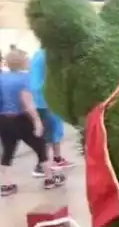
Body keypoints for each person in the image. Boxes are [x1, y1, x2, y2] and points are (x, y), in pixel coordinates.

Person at [0, 50, 65, 196]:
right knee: (40, 147)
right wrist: (37, 121)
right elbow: (27, 103)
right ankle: (49, 179)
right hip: (22, 119)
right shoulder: (24, 78)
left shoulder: (1, 77)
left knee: (7, 152)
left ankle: (6, 185)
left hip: (4, 120)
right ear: (22, 62)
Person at [28, 48, 74, 177]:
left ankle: (57, 159)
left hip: (43, 97)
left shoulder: (39, 53)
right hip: (46, 99)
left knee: (55, 129)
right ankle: (41, 165)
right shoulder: (48, 55)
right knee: (48, 133)